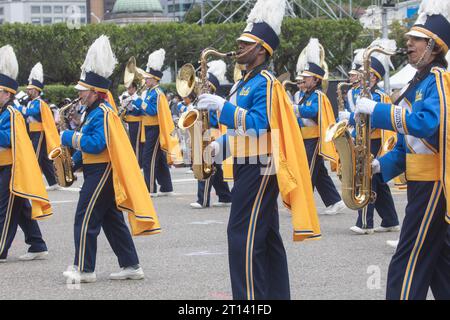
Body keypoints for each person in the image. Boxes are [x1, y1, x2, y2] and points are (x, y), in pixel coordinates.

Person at [196, 0, 320, 300]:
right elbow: (244, 129)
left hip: (261, 163)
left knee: (243, 235)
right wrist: (220, 146)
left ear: (261, 50)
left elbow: (260, 125)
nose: (239, 46)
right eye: (240, 42)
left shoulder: (264, 81)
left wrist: (222, 107)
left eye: (246, 43)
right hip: (248, 160)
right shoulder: (246, 82)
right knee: (264, 235)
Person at [355, 0, 450, 299]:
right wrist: (382, 165)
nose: (408, 43)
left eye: (416, 39)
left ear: (434, 46)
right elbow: (413, 144)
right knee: (438, 264)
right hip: (422, 182)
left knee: (407, 261)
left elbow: (427, 125)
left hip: (436, 183)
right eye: (409, 38)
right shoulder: (419, 82)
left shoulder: (438, 80)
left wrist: (378, 110)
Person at [61, 36, 161, 283]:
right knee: (111, 220)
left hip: (102, 171)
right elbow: (89, 141)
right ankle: (131, 265)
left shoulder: (103, 113)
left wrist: (68, 136)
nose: (79, 95)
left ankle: (84, 269)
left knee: (84, 217)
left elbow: (96, 144)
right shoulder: (94, 111)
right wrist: (73, 161)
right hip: (96, 169)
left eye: (83, 91)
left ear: (95, 92)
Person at [340, 39, 400, 235]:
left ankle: (365, 222)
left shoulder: (380, 96)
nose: (359, 77)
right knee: (378, 183)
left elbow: (375, 120)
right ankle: (390, 219)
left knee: (366, 179)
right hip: (362, 140)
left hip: (374, 142)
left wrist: (350, 117)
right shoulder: (362, 94)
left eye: (364, 75)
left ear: (373, 78)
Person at [0, 45, 52, 263]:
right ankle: (37, 243)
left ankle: (1, 248)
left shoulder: (12, 113)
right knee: (19, 208)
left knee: (4, 208)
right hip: (3, 164)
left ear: (6, 93)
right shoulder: (5, 111)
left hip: (12, 166)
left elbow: (7, 139)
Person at [294, 38, 346, 215]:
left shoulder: (317, 95)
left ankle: (304, 205)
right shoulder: (305, 95)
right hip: (306, 138)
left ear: (316, 80)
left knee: (307, 171)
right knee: (319, 173)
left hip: (314, 139)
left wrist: (296, 109)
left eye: (307, 78)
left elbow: (312, 112)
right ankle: (335, 201)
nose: (304, 80)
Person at [132, 49, 181, 197]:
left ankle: (150, 188)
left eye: (147, 78)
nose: (145, 80)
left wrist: (139, 101)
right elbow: (145, 111)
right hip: (149, 128)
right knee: (158, 159)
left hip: (155, 128)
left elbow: (153, 111)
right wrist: (133, 108)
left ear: (154, 79)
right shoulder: (150, 92)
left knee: (149, 159)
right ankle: (166, 187)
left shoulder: (157, 93)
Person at [189, 60, 231, 209]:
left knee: (206, 163)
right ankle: (225, 196)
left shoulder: (213, 101)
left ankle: (203, 199)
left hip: (213, 134)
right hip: (207, 133)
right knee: (216, 167)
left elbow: (214, 120)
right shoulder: (203, 100)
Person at [17, 62, 60, 191]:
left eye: (30, 89)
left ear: (36, 90)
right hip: (33, 132)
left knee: (34, 157)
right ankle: (53, 182)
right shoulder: (31, 102)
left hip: (39, 133)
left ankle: (31, 183)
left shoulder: (39, 103)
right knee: (44, 160)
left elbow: (32, 113)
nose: (27, 91)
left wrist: (18, 108)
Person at [119, 82, 144, 167]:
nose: (128, 90)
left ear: (134, 88)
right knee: (129, 143)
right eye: (127, 88)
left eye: (130, 88)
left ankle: (137, 164)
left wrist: (132, 108)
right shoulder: (127, 97)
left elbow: (140, 111)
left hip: (136, 122)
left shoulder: (138, 98)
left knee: (136, 144)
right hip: (128, 122)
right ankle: (132, 162)